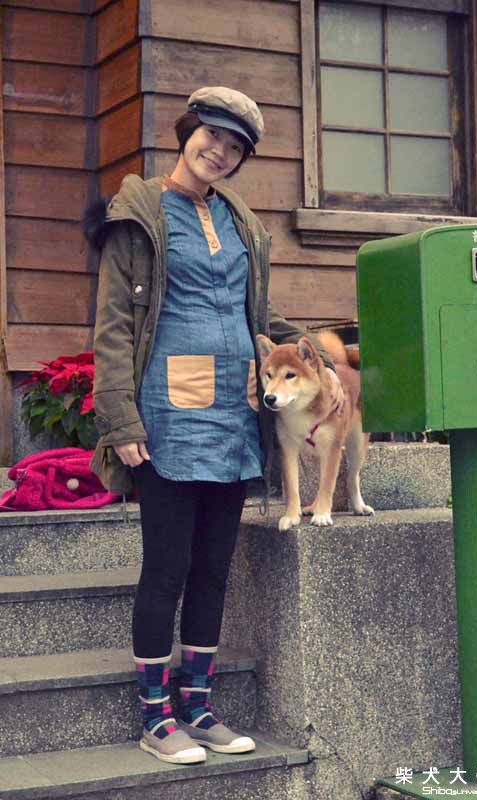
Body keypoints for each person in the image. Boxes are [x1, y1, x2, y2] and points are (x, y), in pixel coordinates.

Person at [88, 86, 343, 765]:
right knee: (166, 567)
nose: (220, 152)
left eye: (235, 147)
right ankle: (155, 716)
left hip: (235, 409)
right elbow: (113, 326)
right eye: (212, 136)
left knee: (212, 570)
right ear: (187, 132)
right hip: (167, 415)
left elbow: (255, 312)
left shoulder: (239, 221)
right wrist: (120, 418)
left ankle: (198, 707)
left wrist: (318, 355)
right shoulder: (139, 213)